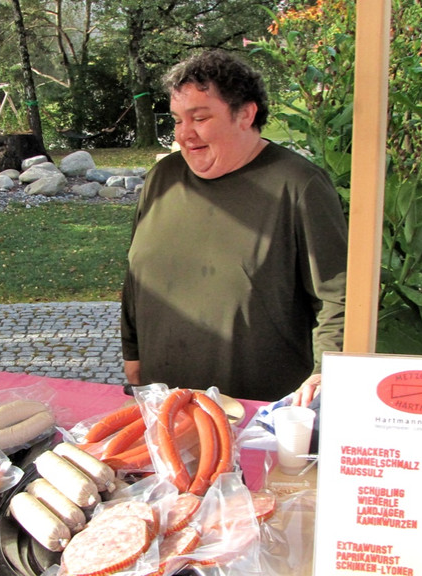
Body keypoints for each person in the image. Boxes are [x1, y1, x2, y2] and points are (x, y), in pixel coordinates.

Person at [120, 49, 348, 405]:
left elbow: (336, 295)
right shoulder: (163, 178)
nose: (184, 134)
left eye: (200, 118)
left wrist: (326, 371)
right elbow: (136, 275)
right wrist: (132, 350)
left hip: (259, 408)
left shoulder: (299, 185)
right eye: (177, 120)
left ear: (245, 114)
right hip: (164, 404)